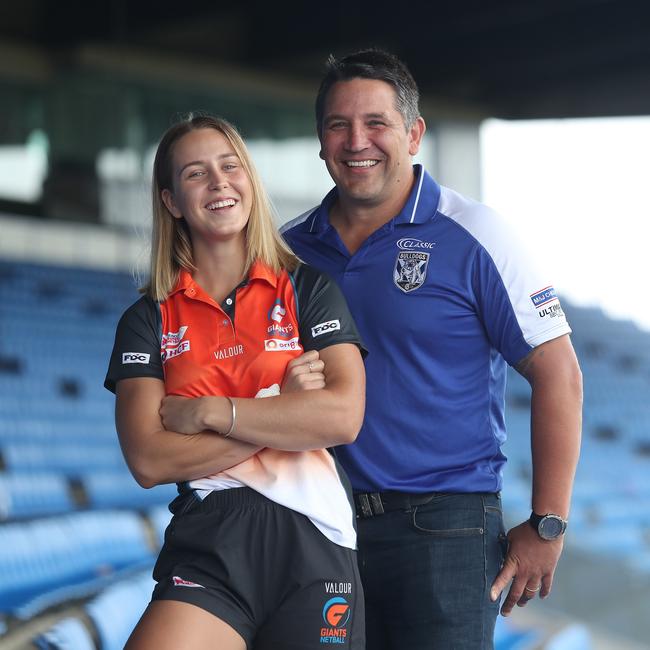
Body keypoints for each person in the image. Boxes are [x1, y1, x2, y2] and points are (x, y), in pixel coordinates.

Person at [282, 49, 583, 649]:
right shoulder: (287, 252)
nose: (356, 140)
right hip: (317, 522)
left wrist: (547, 524)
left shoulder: (478, 234)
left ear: (414, 134)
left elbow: (559, 376)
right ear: (320, 142)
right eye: (338, 125)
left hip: (445, 527)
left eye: (376, 123)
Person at [104, 114, 367, 650]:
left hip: (314, 538)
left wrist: (211, 411)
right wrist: (283, 409)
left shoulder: (307, 288)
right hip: (212, 539)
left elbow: (341, 418)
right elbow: (150, 461)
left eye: (230, 166)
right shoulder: (148, 318)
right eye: (196, 173)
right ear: (172, 201)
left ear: (249, 180)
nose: (219, 182)